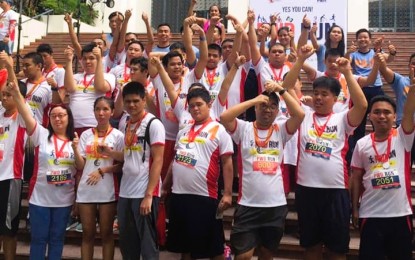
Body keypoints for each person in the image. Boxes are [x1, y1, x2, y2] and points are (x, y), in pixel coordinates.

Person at [285, 45, 368, 260]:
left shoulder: (342, 119)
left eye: (325, 94)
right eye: (316, 93)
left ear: (335, 98)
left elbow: (362, 104)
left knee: (336, 249)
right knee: (310, 246)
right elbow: (283, 89)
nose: (319, 98)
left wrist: (348, 73)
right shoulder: (302, 116)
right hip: (307, 191)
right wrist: (300, 59)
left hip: (336, 192)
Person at [220, 80, 304, 259]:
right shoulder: (244, 129)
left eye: (273, 106)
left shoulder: (281, 130)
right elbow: (225, 117)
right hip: (248, 205)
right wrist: (253, 100)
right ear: (256, 108)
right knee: (243, 256)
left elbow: (299, 114)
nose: (268, 109)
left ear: (277, 110)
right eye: (263, 105)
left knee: (267, 254)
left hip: (275, 206)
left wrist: (281, 90)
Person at [8, 79, 82, 259]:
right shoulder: (41, 134)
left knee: (57, 239)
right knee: (39, 240)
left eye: (61, 115)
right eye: (54, 115)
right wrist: (17, 93)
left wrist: (75, 149)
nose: (57, 118)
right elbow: (25, 112)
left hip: (63, 200)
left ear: (68, 118)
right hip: (39, 198)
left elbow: (80, 167)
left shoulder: (76, 140)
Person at [167, 87, 233, 260]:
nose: (195, 109)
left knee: (214, 249)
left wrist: (227, 193)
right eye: (191, 106)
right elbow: (175, 160)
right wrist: (165, 186)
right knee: (185, 247)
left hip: (205, 196)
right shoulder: (183, 131)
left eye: (199, 104)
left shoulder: (219, 130)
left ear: (209, 104)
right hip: (179, 195)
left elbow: (227, 163)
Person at [351, 93, 415, 260]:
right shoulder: (362, 144)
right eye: (377, 112)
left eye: (387, 112)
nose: (381, 116)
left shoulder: (402, 137)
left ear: (394, 116)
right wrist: (355, 209)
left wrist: (413, 89)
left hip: (400, 214)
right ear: (370, 115)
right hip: (371, 214)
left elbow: (408, 113)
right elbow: (356, 177)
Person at [116, 81, 165, 259]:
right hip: (126, 191)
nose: (131, 105)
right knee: (128, 244)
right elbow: (129, 155)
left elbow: (158, 159)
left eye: (136, 101)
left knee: (148, 244)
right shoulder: (127, 123)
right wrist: (109, 153)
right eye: (127, 101)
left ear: (144, 100)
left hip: (145, 192)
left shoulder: (154, 124)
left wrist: (149, 195)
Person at [74, 97, 124, 260]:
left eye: (105, 109)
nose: (101, 113)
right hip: (86, 190)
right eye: (97, 109)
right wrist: (75, 149)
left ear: (112, 112)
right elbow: (81, 166)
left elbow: (123, 164)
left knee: (107, 235)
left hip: (106, 190)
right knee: (87, 235)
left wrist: (103, 170)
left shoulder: (118, 136)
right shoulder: (86, 135)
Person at [64, 43, 115, 135]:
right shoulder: (76, 77)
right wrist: (68, 61)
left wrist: (99, 59)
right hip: (73, 125)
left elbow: (100, 87)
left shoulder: (109, 76)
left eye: (92, 58)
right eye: (84, 58)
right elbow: (69, 88)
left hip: (95, 125)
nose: (87, 61)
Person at [0, 79, 26, 260]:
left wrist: (9, 67)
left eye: (8, 95)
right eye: (2, 94)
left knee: (9, 231)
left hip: (11, 177)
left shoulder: (23, 117)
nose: (4, 98)